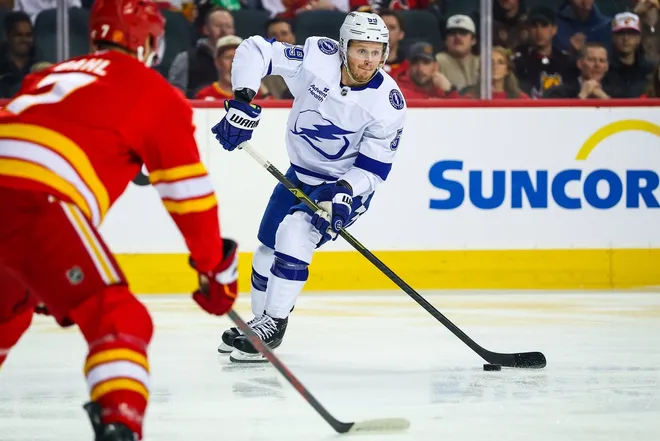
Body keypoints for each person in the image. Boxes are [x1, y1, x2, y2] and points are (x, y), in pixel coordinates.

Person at [0, 1, 239, 440]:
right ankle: (120, 424)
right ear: (149, 41)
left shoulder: (52, 73)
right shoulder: (150, 88)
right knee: (119, 317)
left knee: (7, 317)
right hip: (33, 201)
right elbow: (189, 196)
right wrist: (215, 267)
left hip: (17, 199)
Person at [211, 11, 407, 363]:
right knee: (267, 250)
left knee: (295, 231)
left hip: (343, 186)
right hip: (299, 173)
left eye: (376, 52)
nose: (369, 60)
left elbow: (376, 168)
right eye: (361, 50)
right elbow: (256, 49)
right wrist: (242, 100)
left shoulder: (388, 104)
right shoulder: (317, 59)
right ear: (344, 47)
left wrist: (346, 190)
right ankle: (257, 328)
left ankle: (274, 324)